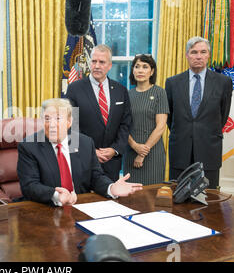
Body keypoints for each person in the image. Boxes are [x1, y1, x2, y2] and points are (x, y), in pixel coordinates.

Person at [17, 98, 142, 206]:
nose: (51, 124)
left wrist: (111, 188)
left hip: (80, 206)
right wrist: (56, 196)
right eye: (47, 119)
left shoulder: (85, 143)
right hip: (44, 208)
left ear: (69, 122)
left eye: (58, 118)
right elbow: (29, 186)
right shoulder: (28, 146)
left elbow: (96, 177)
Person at [165, 36, 232, 189]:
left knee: (209, 201)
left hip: (209, 149)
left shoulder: (223, 82)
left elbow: (223, 114)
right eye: (194, 52)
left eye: (203, 52)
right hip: (180, 150)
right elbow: (170, 116)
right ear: (187, 55)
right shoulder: (172, 83)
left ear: (208, 55)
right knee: (178, 200)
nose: (198, 56)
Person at [65, 45, 132, 182]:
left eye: (102, 62)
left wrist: (115, 149)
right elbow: (70, 126)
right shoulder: (74, 89)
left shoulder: (121, 90)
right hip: (83, 160)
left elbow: (125, 124)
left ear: (110, 65)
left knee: (110, 201)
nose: (97, 66)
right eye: (94, 61)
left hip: (112, 162)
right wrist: (90, 151)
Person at [123, 54, 169, 185]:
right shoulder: (127, 94)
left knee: (151, 197)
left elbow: (161, 126)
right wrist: (135, 146)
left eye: (145, 67)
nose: (140, 70)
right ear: (133, 70)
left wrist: (142, 153)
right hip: (131, 151)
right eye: (137, 67)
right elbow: (123, 126)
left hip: (153, 153)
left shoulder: (160, 93)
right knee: (129, 196)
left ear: (152, 71)